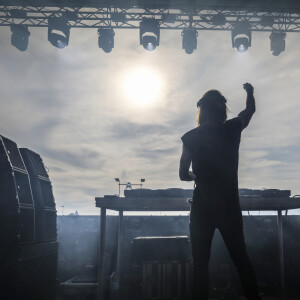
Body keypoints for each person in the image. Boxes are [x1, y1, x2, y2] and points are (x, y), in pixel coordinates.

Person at [179, 83, 261, 300]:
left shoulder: (190, 137)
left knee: (200, 265)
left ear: (202, 110)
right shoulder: (233, 128)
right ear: (222, 109)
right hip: (229, 207)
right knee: (241, 260)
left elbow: (182, 174)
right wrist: (250, 93)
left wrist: (197, 178)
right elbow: (249, 111)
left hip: (202, 208)